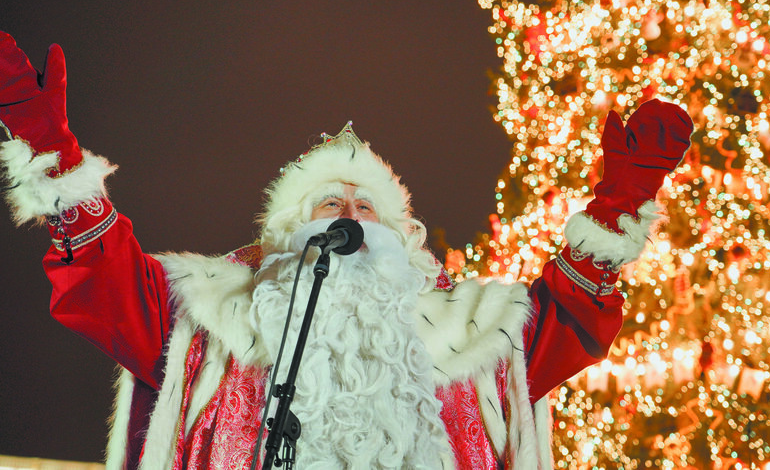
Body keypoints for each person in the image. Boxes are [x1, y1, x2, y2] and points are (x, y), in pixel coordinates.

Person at [0, 32, 693, 470]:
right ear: (288, 234)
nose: (352, 218)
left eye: (367, 209)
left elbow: (566, 322)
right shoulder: (214, 313)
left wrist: (616, 209)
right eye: (331, 205)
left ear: (401, 238)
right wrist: (53, 157)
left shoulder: (469, 327)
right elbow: (107, 283)